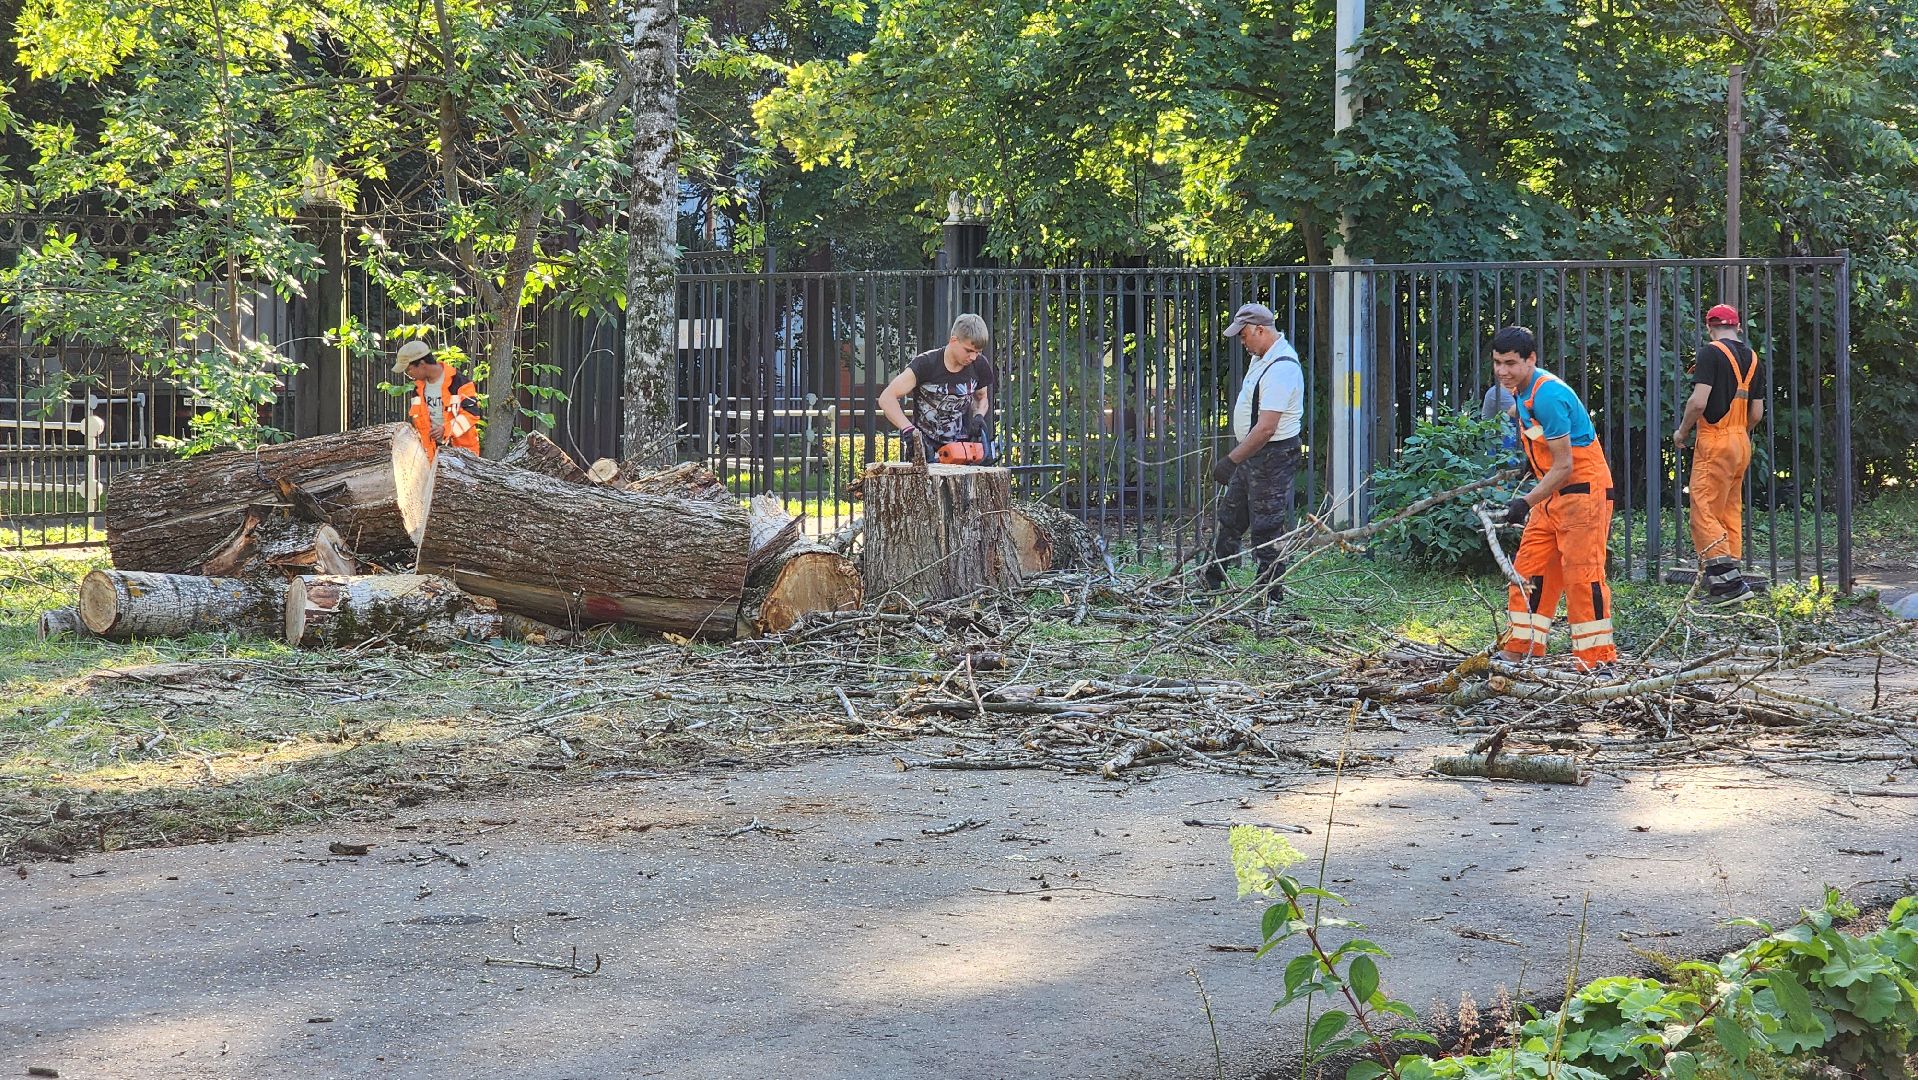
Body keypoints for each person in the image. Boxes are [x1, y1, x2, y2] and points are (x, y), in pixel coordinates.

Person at [1490, 326, 1617, 672]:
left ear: (1531, 360)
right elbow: (1546, 451)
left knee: (1582, 575)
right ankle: (1519, 648)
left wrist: (1525, 502)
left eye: (1511, 363)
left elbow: (1564, 465)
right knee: (1528, 570)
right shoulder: (1521, 391)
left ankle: (1596, 660)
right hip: (1552, 495)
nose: (1503, 371)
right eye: (1498, 362)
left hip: (1581, 494)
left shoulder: (1547, 395)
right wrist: (1529, 467)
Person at [1205, 302, 1304, 599]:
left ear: (1260, 330)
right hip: (1254, 453)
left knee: (1267, 525)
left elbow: (1265, 429)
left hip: (1273, 455)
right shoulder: (1262, 356)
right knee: (1231, 516)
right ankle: (1213, 577)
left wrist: (1230, 460)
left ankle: (1270, 592)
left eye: (1245, 335)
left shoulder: (1282, 368)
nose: (1242, 342)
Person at [1674, 303, 1764, 604]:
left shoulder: (1710, 353)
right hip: (1741, 441)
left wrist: (1683, 431)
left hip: (1715, 440)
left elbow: (1699, 402)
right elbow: (1757, 414)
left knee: (1704, 511)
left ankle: (1728, 585)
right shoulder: (1753, 359)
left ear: (1710, 327)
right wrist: (1738, 431)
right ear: (1738, 327)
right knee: (1728, 509)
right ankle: (1730, 576)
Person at [877, 314, 997, 463]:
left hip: (962, 452)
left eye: (978, 352)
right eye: (968, 350)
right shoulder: (926, 364)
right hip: (925, 451)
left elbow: (981, 397)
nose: (973, 357)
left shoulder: (979, 364)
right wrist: (909, 431)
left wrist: (978, 415)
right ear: (953, 340)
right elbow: (886, 398)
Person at [394, 339, 480, 457]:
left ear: (422, 364)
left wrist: (445, 429)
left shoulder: (459, 382)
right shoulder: (418, 389)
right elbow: (418, 422)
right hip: (432, 453)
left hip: (462, 454)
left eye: (409, 369)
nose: (409, 374)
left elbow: (471, 414)